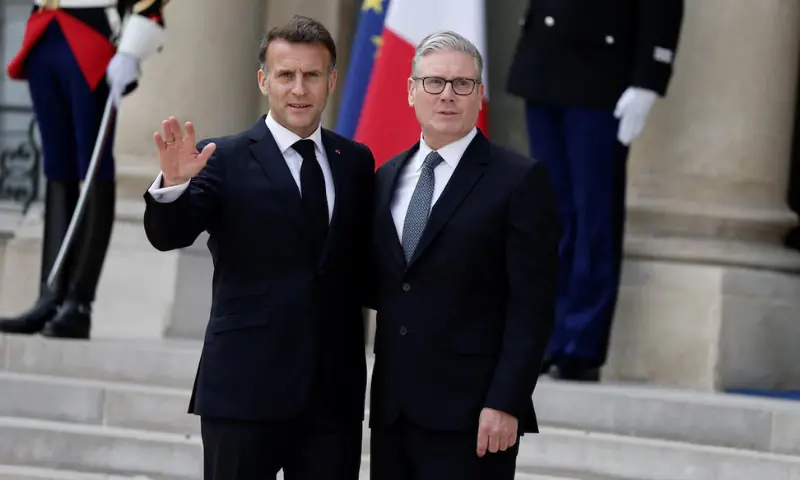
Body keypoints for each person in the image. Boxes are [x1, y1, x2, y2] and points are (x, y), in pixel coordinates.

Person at [142, 15, 374, 480]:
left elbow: (362, 265)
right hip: (243, 391)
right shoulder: (220, 157)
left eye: (312, 75)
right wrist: (172, 186)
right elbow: (170, 235)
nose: (299, 89)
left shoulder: (355, 161)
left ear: (331, 81)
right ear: (264, 80)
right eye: (286, 75)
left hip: (332, 399)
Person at [367, 30, 561, 479]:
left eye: (462, 83)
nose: (447, 95)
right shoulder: (386, 176)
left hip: (474, 417)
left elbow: (532, 307)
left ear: (479, 94)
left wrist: (506, 402)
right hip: (393, 414)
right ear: (412, 91)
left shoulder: (519, 180)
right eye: (434, 82)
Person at [505, 0, 684, 380]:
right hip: (545, 66)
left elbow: (663, 9)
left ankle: (581, 343)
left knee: (594, 216)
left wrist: (649, 79)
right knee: (552, 215)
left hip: (602, 76)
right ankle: (547, 337)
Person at [0, 0, 169, 339]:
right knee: (57, 168)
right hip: (45, 29)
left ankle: (79, 301)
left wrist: (132, 48)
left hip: (91, 31)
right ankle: (50, 296)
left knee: (93, 167)